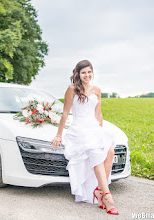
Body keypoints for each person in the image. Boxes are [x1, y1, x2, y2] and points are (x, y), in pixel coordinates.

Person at [51, 60, 119, 215]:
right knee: (95, 152)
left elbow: (98, 113)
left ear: (92, 72)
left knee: (109, 152)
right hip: (79, 130)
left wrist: (100, 131)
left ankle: (98, 191)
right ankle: (107, 197)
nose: (87, 75)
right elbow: (65, 113)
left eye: (89, 72)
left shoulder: (97, 90)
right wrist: (59, 134)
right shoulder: (72, 89)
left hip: (94, 128)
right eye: (83, 73)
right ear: (78, 74)